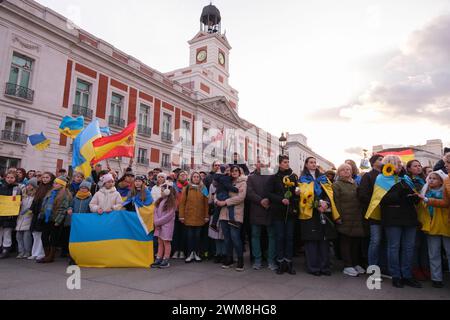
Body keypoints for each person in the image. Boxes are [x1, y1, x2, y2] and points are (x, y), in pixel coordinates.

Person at [375, 155, 422, 288]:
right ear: (389, 164)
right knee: (394, 247)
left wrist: (414, 197)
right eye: (397, 163)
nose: (400, 165)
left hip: (409, 216)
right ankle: (396, 275)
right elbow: (381, 199)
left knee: (408, 247)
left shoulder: (405, 178)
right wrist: (400, 194)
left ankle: (407, 275)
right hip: (392, 217)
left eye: (400, 163)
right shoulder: (381, 178)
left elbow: (412, 194)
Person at [299, 157, 340, 276]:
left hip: (324, 211)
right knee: (312, 240)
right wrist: (317, 203)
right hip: (310, 212)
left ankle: (325, 266)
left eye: (314, 162)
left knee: (324, 240)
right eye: (311, 162)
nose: (313, 164)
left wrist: (326, 203)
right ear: (306, 165)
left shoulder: (323, 178)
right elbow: (304, 194)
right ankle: (313, 267)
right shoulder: (303, 179)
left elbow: (330, 192)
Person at [266, 155, 299, 275]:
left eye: (288, 162)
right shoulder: (274, 177)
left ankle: (288, 262)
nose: (287, 164)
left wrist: (297, 192)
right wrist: (281, 199)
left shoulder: (293, 177)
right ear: (279, 164)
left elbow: (297, 191)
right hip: (278, 212)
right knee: (280, 237)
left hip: (290, 212)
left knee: (289, 237)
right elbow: (268, 193)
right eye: (285, 162)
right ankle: (280, 262)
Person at [333, 164, 367, 277]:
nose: (346, 171)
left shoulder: (355, 183)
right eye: (343, 170)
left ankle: (355, 263)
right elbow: (335, 202)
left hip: (356, 217)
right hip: (344, 217)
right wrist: (337, 216)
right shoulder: (337, 185)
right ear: (339, 172)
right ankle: (348, 266)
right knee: (346, 242)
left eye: (348, 169)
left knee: (356, 242)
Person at [418, 170, 450, 288]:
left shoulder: (446, 191)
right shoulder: (425, 191)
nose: (430, 180)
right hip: (431, 226)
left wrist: (427, 200)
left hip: (445, 225)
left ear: (441, 181)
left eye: (434, 178)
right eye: (429, 178)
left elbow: (444, 203)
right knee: (433, 253)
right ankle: (436, 278)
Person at [216, 165, 247, 271]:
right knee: (227, 238)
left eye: (235, 171)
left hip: (236, 214)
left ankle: (240, 260)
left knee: (235, 237)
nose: (233, 172)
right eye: (232, 171)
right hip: (224, 213)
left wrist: (225, 202)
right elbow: (218, 192)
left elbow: (240, 197)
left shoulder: (243, 183)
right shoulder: (225, 181)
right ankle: (229, 258)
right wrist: (217, 201)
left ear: (239, 172)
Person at [247, 161, 276, 270]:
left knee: (272, 236)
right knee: (255, 236)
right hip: (256, 210)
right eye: (259, 162)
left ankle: (271, 260)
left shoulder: (272, 176)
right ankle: (257, 260)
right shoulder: (251, 178)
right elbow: (249, 192)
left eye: (263, 162)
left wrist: (268, 200)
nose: (261, 164)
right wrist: (260, 201)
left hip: (270, 210)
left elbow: (275, 190)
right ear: (256, 165)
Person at [37, 176, 72, 263]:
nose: (54, 185)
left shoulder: (65, 195)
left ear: (61, 185)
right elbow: (44, 205)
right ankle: (47, 255)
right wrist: (41, 215)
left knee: (53, 238)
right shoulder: (51, 192)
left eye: (56, 183)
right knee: (44, 236)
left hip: (56, 219)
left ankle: (50, 256)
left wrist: (58, 221)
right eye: (54, 183)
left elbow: (63, 209)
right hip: (47, 218)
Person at [405, 159, 429, 281]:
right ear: (408, 168)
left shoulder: (425, 180)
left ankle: (425, 267)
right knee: (415, 244)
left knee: (425, 244)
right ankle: (415, 268)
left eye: (419, 165)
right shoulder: (407, 181)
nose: (418, 168)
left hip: (427, 215)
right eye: (415, 166)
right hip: (414, 215)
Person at [179, 172, 209, 263]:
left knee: (197, 236)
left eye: (197, 177)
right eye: (194, 177)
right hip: (189, 216)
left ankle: (196, 254)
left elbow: (206, 204)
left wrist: (206, 215)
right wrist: (181, 216)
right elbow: (182, 203)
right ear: (191, 178)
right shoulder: (187, 188)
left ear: (200, 178)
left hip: (200, 216)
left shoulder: (203, 188)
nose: (196, 178)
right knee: (189, 236)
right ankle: (189, 254)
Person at [29, 172, 55, 260]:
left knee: (41, 234)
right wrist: (31, 209)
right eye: (43, 177)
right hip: (36, 213)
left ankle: (41, 253)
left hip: (44, 214)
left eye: (47, 177)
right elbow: (35, 199)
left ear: (51, 179)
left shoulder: (51, 189)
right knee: (35, 233)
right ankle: (34, 252)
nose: (44, 179)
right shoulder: (40, 187)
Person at [151, 182, 176, 269]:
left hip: (166, 226)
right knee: (160, 242)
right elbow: (155, 212)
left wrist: (158, 222)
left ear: (167, 191)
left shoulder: (171, 203)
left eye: (162, 191)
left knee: (166, 242)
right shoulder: (160, 201)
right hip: (159, 225)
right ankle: (159, 257)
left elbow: (169, 216)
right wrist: (156, 221)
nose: (161, 193)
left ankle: (166, 259)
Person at [0, 171, 22, 259]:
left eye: (12, 178)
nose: (9, 179)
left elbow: (19, 199)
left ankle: (6, 249)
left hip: (10, 214)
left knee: (7, 232)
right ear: (5, 178)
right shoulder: (1, 187)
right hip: (1, 212)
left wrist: (19, 203)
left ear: (15, 179)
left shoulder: (17, 188)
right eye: (8, 177)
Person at [210, 165, 239, 230]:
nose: (230, 172)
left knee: (217, 209)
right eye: (228, 170)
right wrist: (236, 189)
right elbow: (228, 186)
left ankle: (213, 223)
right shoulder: (225, 178)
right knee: (230, 205)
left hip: (219, 193)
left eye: (230, 171)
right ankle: (232, 220)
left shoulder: (223, 177)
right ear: (225, 171)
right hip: (222, 194)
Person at [15, 177, 38, 259]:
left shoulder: (35, 196)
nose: (28, 186)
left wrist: (28, 212)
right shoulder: (23, 195)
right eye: (28, 184)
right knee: (18, 236)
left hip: (28, 217)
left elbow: (33, 207)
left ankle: (27, 251)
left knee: (26, 236)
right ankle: (21, 251)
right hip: (20, 217)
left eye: (30, 185)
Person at [171, 170, 189, 260]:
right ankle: (175, 250)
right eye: (181, 175)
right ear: (178, 177)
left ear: (187, 176)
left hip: (186, 212)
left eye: (184, 175)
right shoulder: (173, 186)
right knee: (175, 232)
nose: (183, 176)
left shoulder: (189, 186)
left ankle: (182, 251)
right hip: (175, 211)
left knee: (184, 232)